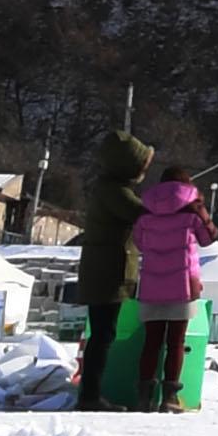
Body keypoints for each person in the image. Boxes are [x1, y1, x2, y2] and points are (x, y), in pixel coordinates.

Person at [129, 155, 218, 411]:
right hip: (182, 284)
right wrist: (201, 207)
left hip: (151, 285)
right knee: (176, 342)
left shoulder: (146, 209)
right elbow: (208, 238)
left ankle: (144, 396)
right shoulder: (191, 208)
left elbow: (140, 242)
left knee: (151, 342)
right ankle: (170, 397)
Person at [73, 128, 152, 409]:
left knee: (103, 333)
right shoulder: (114, 191)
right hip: (108, 271)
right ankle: (90, 395)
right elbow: (143, 214)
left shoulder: (108, 188)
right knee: (103, 334)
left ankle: (91, 392)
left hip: (105, 269)